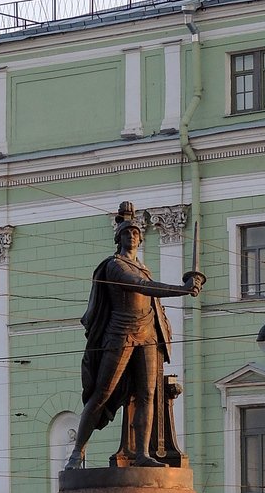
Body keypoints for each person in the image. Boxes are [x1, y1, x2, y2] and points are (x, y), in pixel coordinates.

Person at [65, 201, 205, 470]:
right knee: (102, 394)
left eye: (137, 233)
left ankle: (142, 453)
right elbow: (142, 287)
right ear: (119, 238)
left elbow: (148, 290)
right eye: (128, 232)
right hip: (121, 333)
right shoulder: (115, 266)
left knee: (147, 394)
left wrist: (186, 289)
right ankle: (76, 452)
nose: (133, 236)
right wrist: (182, 290)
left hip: (149, 335)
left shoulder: (142, 266)